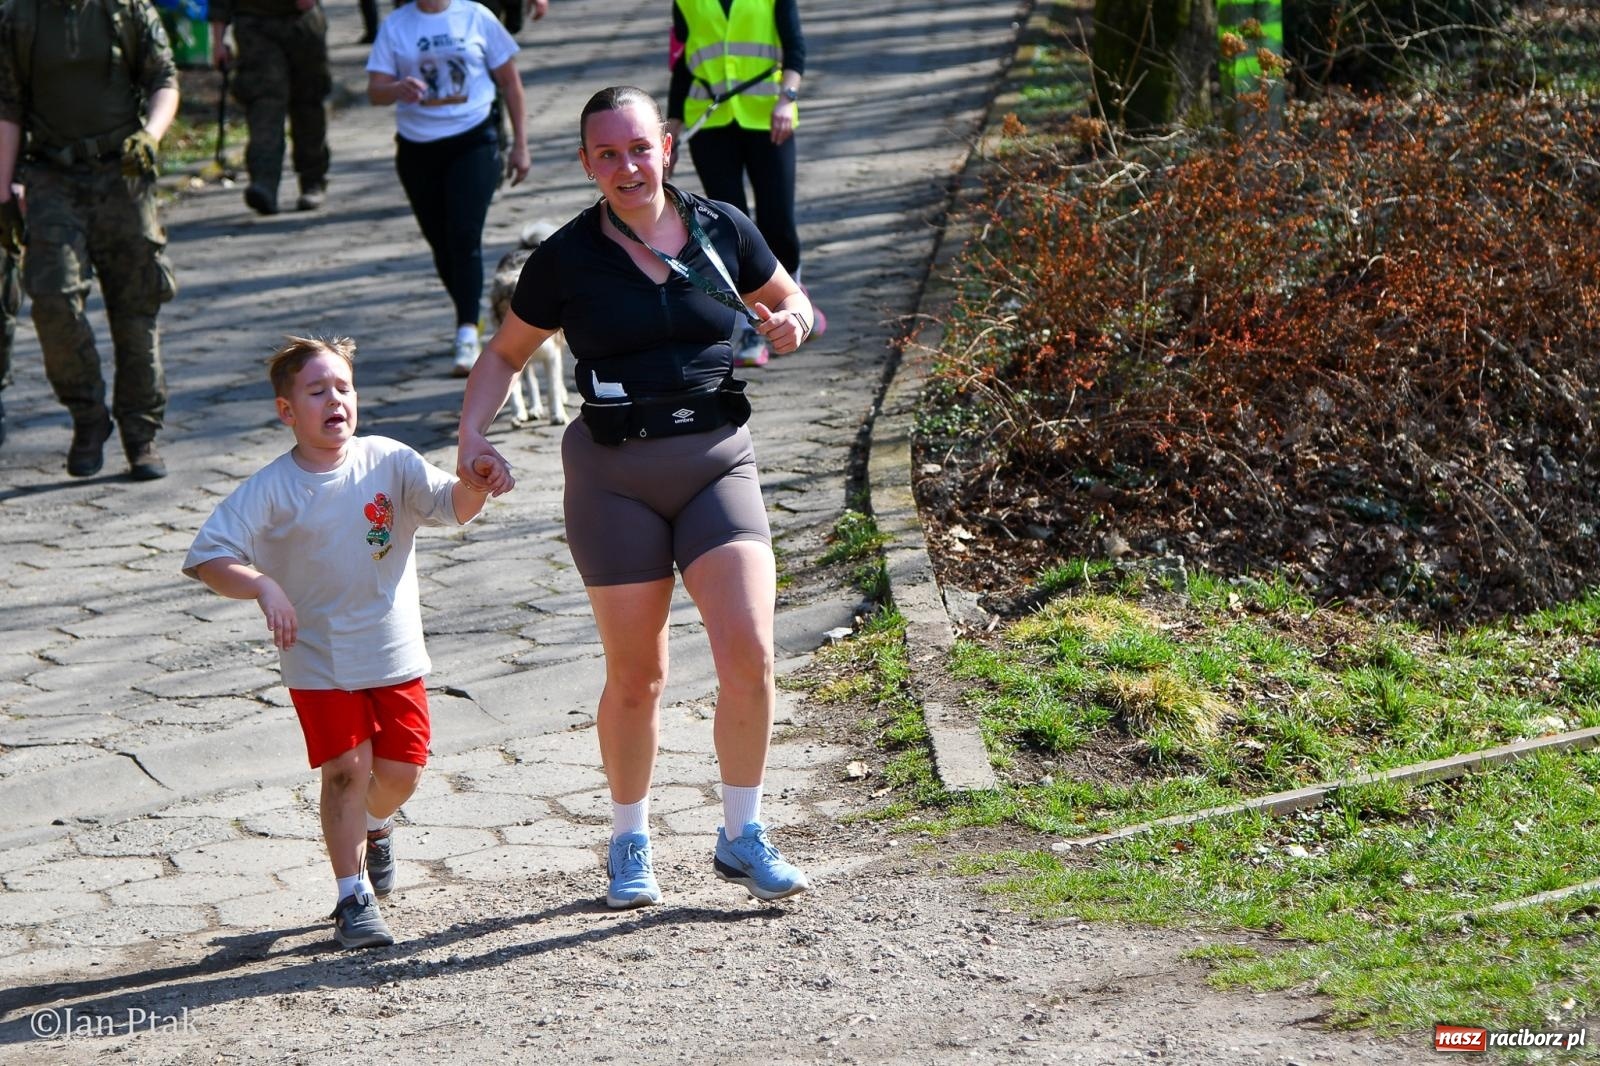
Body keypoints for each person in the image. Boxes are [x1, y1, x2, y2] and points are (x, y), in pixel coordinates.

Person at [456, 85, 815, 909]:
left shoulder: (723, 225)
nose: (627, 166)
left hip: (717, 461)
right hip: (613, 476)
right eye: (607, 154)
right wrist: (473, 435)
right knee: (638, 675)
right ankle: (629, 840)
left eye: (640, 147)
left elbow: (790, 300)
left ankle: (742, 833)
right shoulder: (566, 257)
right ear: (586, 163)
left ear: (668, 147)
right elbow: (506, 354)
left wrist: (792, 319)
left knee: (749, 653)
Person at [183, 336, 510, 948]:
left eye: (343, 387)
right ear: (287, 412)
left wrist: (477, 479)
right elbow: (209, 558)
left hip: (393, 652)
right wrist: (261, 587)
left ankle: (376, 828)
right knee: (344, 772)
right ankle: (351, 897)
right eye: (317, 391)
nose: (335, 400)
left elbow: (451, 507)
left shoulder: (389, 460)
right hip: (318, 658)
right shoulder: (269, 489)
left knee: (402, 772)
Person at [0, 0, 179, 480]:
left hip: (122, 174)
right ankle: (87, 415)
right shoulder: (21, 16)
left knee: (136, 304)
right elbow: (9, 105)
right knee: (53, 299)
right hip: (52, 180)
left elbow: (163, 79)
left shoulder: (127, 10)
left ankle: (140, 434)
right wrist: (2, 191)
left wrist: (151, 135)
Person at [366, 0, 530, 377]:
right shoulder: (398, 25)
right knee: (441, 244)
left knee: (463, 235)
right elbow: (374, 90)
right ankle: (472, 317)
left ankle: (467, 331)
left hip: (473, 139)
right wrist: (396, 87)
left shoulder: (476, 16)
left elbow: (510, 81)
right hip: (417, 149)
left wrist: (521, 144)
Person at [665, 0, 823, 369]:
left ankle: (794, 300)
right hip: (711, 122)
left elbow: (795, 47)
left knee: (778, 221)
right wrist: (672, 125)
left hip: (769, 115)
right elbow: (682, 62)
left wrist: (788, 98)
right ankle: (752, 326)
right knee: (729, 231)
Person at [209, 0, 332, 215]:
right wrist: (218, 40)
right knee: (264, 103)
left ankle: (313, 180)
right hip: (254, 26)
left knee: (308, 104)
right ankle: (264, 183)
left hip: (302, 23)